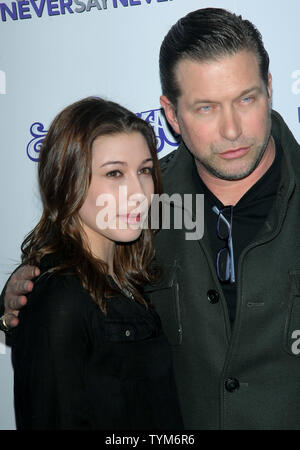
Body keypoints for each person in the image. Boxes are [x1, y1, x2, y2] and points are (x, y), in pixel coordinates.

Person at [2, 7, 300, 430]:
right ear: (172, 115)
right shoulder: (143, 206)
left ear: (270, 89)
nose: (232, 129)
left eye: (246, 99)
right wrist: (19, 297)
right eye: (206, 108)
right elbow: (72, 284)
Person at [2, 96, 183, 429]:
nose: (138, 192)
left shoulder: (128, 279)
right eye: (114, 173)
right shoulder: (60, 297)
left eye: (144, 170)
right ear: (67, 180)